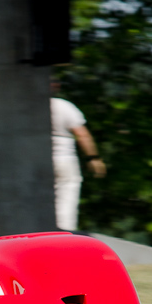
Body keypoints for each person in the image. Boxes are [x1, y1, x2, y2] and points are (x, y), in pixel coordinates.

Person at [50, 95, 106, 231]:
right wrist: (93, 158)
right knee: (67, 190)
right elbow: (82, 134)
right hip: (63, 158)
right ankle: (63, 232)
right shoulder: (63, 106)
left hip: (36, 161)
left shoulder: (27, 107)